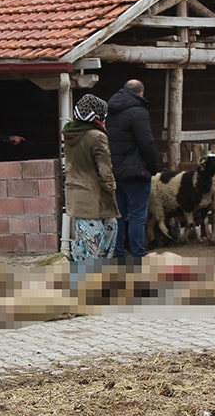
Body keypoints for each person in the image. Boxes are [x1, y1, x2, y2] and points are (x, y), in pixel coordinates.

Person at [62, 94, 119, 287]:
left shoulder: (70, 134)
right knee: (101, 241)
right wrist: (112, 189)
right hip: (95, 197)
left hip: (76, 195)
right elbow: (105, 170)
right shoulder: (97, 136)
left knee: (84, 243)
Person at [107, 79, 159, 261]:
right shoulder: (139, 112)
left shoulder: (111, 111)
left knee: (120, 214)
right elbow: (147, 142)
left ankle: (119, 253)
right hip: (137, 172)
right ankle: (137, 254)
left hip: (116, 171)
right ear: (141, 93)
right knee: (137, 215)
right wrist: (153, 167)